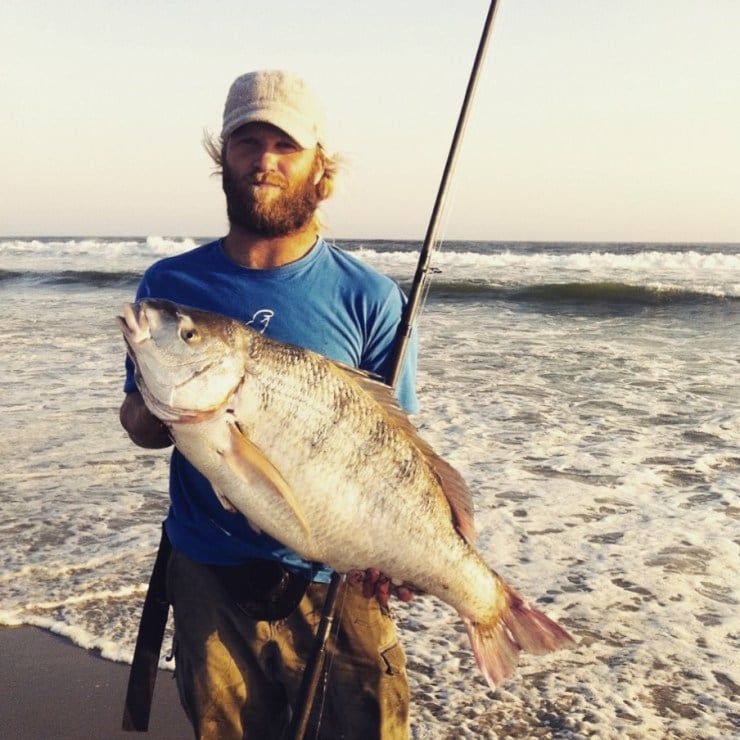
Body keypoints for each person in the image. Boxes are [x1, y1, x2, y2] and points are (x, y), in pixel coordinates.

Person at [120, 70, 418, 740]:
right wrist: (154, 410)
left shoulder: (370, 299)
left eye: (284, 145)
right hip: (208, 569)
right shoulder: (169, 288)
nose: (264, 161)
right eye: (247, 142)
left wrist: (393, 548)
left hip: (335, 576)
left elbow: (395, 457)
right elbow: (140, 425)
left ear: (320, 163)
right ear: (222, 157)